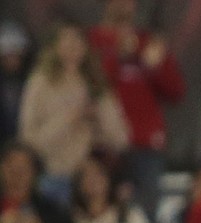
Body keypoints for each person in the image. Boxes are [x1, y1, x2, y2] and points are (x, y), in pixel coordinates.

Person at [88, 0, 185, 223]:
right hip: (104, 145)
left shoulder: (147, 43)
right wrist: (116, 55)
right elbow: (92, 87)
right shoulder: (92, 41)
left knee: (146, 218)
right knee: (101, 215)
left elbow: (176, 92)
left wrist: (153, 62)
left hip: (146, 146)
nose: (124, 5)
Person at [17, 24, 127, 206]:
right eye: (66, 39)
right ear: (54, 46)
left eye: (77, 39)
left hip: (87, 183)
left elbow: (120, 139)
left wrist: (98, 118)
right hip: (48, 177)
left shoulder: (96, 84)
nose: (72, 45)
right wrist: (70, 118)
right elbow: (27, 140)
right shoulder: (40, 83)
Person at [0, 24, 31, 145]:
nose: (12, 60)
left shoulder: (29, 80)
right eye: (8, 56)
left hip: (23, 141)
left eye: (16, 55)